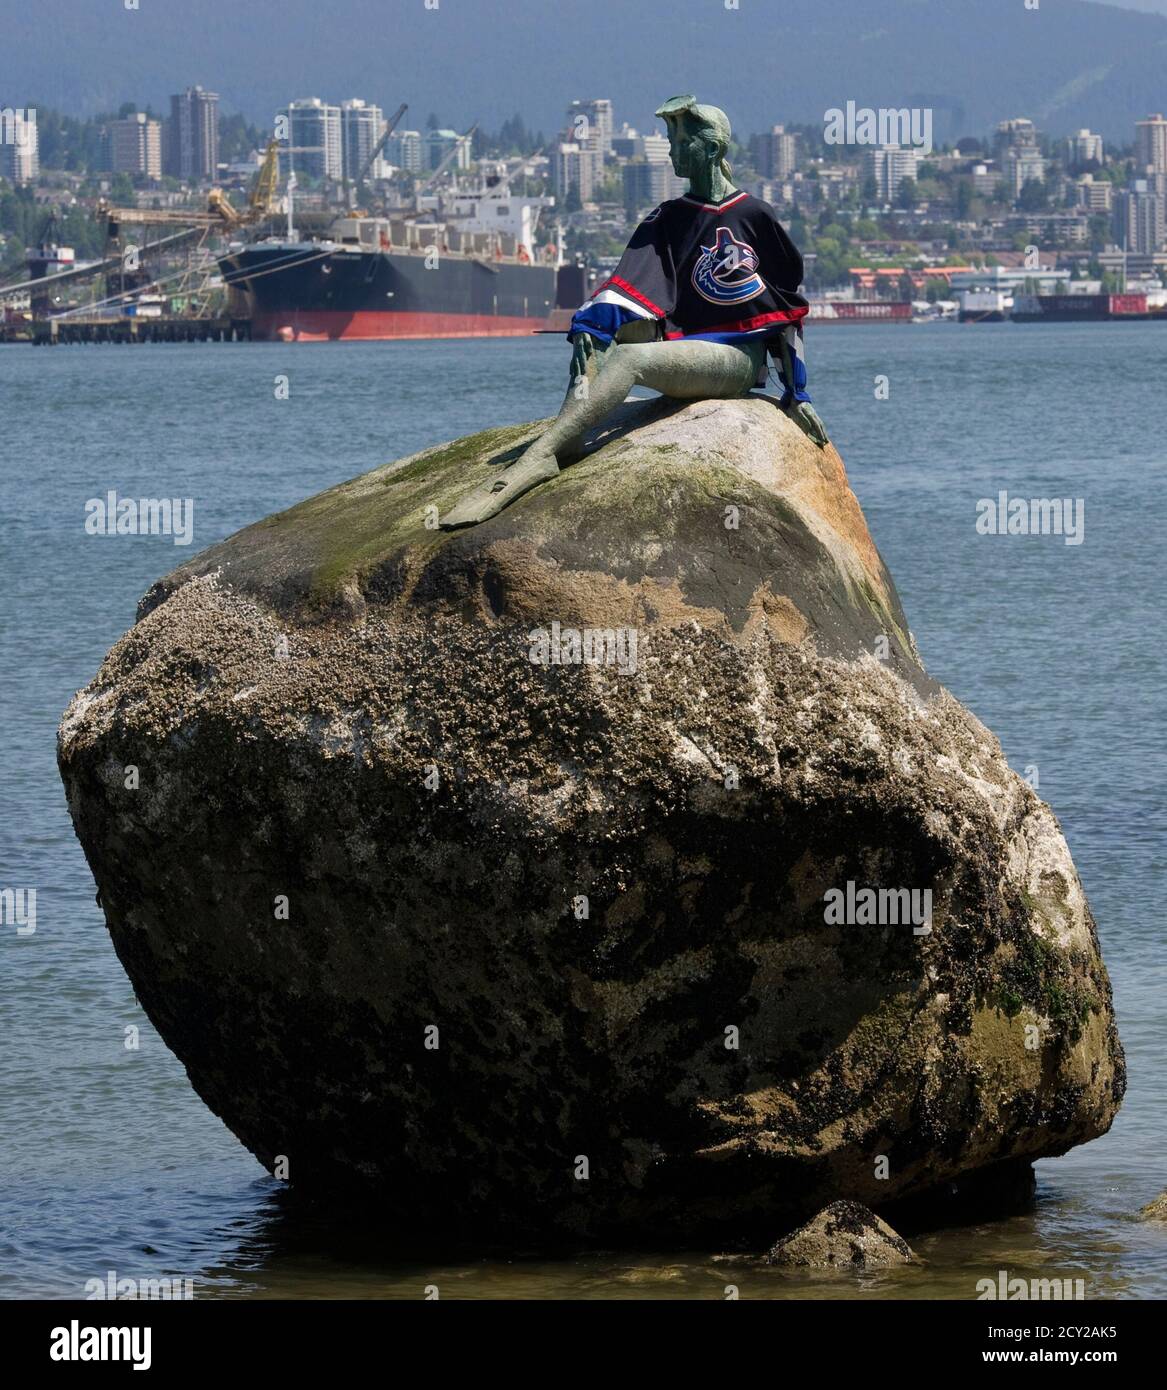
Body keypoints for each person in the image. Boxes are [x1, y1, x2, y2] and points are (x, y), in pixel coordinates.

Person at [441, 94, 828, 530]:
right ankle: (566, 442)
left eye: (683, 144)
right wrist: (590, 322)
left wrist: (797, 392)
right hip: (683, 345)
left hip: (735, 358)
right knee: (595, 337)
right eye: (670, 142)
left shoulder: (754, 215)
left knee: (630, 358)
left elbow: (787, 303)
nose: (672, 152)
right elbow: (629, 283)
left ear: (714, 149)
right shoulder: (667, 217)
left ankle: (541, 454)